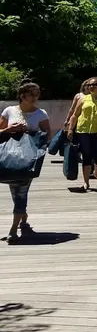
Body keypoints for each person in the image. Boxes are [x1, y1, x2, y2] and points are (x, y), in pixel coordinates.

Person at [0, 82, 50, 243]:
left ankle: (14, 229)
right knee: (16, 193)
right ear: (22, 95)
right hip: (9, 158)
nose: (35, 98)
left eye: (37, 94)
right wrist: (9, 129)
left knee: (21, 192)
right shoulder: (9, 111)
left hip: (27, 159)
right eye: (31, 94)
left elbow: (46, 137)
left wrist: (29, 131)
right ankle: (23, 216)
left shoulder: (41, 114)